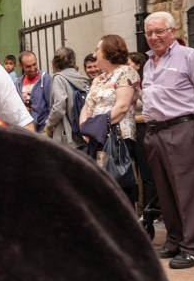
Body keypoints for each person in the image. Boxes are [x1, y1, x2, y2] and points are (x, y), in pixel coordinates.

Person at [141, 12, 194, 269]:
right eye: (149, 33)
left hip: (182, 128)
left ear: (172, 31)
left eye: (159, 31)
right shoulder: (148, 63)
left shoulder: (190, 56)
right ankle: (174, 240)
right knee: (164, 190)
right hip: (155, 131)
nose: (154, 37)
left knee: (186, 191)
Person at [79, 35, 140, 205]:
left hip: (116, 137)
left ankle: (124, 225)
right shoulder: (99, 78)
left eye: (97, 49)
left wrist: (94, 127)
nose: (94, 53)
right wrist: (85, 127)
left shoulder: (127, 72)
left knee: (117, 183)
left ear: (108, 51)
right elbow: (87, 106)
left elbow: (121, 107)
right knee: (100, 183)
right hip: (97, 138)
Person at [128, 51, 157, 211]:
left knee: (146, 172)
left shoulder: (146, 84)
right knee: (133, 171)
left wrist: (131, 119)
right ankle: (138, 207)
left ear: (138, 65)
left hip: (143, 129)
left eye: (129, 63)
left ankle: (149, 208)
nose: (126, 66)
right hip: (131, 130)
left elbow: (152, 112)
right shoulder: (128, 82)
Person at [44, 47, 89, 148]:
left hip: (66, 137)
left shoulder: (59, 78)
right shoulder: (81, 78)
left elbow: (59, 106)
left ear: (55, 62)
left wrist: (48, 126)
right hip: (82, 134)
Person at [15, 51, 51, 132]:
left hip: (42, 129)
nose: (33, 68)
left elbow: (51, 106)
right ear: (21, 66)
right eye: (28, 66)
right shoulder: (18, 83)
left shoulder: (45, 79)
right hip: (26, 129)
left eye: (34, 64)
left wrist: (47, 128)